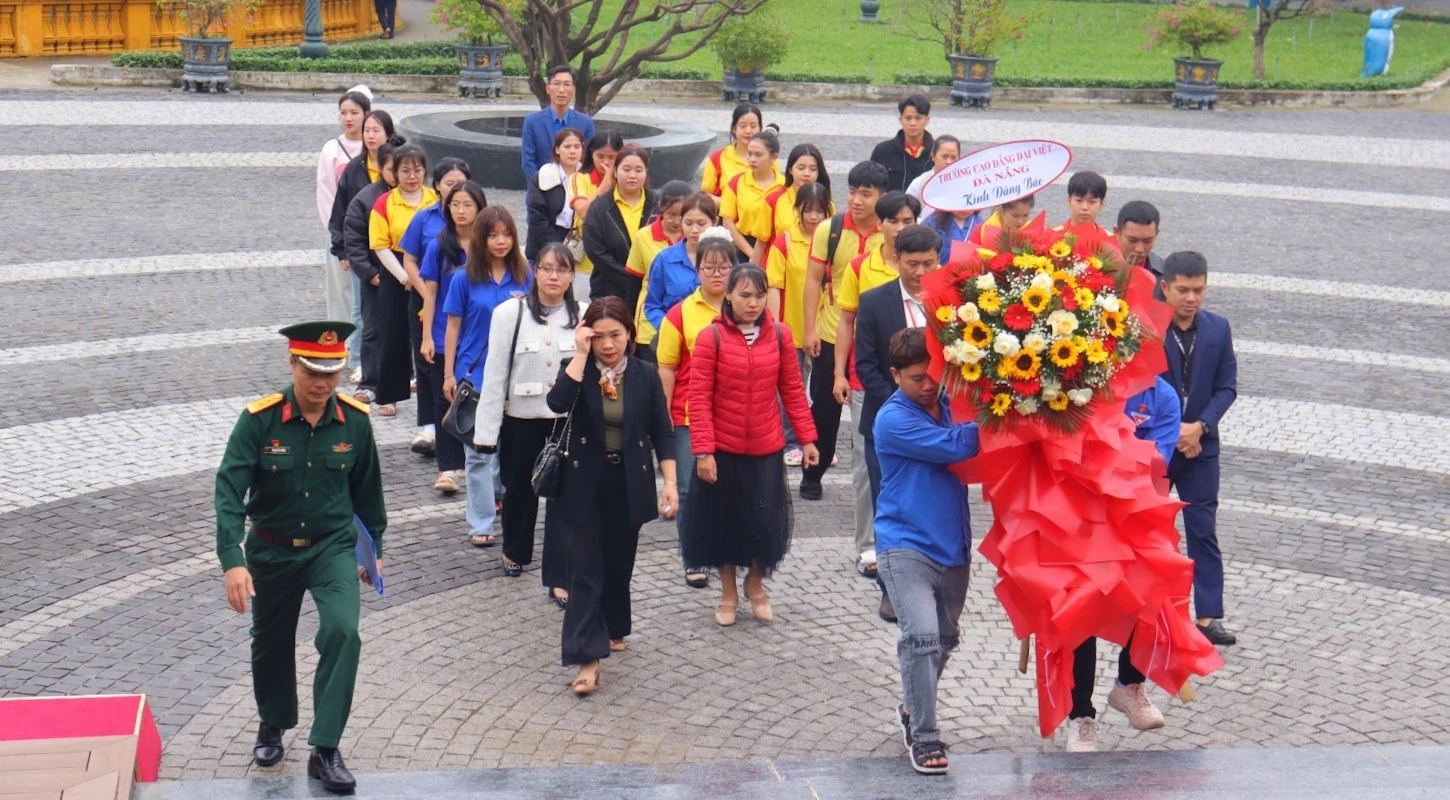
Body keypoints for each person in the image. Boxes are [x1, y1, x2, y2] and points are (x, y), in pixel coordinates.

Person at [215, 321, 384, 795]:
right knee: (270, 640)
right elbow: (228, 489)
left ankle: (325, 748)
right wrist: (232, 558)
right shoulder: (259, 421)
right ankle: (273, 722)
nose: (321, 384)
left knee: (343, 630)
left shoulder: (355, 420)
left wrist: (375, 552)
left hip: (332, 546)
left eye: (331, 374)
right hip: (270, 547)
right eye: (312, 371)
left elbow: (368, 492)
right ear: (292, 364)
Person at [549, 298, 678, 696]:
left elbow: (662, 431)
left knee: (619, 565)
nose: (608, 344)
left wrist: (670, 482)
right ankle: (588, 658)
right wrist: (579, 353)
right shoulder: (577, 369)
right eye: (599, 336)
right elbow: (556, 404)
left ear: (630, 335)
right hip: (581, 481)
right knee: (584, 570)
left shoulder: (645, 374)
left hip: (628, 481)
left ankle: (615, 626)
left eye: (615, 335)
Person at [686, 264, 819, 627]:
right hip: (724, 449)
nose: (753, 303)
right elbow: (698, 399)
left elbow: (792, 390)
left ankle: (755, 583)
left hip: (766, 447)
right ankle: (728, 592)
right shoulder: (710, 338)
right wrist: (704, 451)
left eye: (760, 295)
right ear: (728, 294)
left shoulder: (778, 335)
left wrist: (807, 438)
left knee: (765, 521)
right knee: (725, 523)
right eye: (745, 295)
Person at [872, 327, 979, 776]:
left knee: (945, 639)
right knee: (920, 637)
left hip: (952, 543)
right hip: (904, 544)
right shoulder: (892, 419)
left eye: (933, 374)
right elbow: (957, 446)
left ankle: (912, 707)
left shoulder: (954, 403)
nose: (928, 384)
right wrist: (1004, 418)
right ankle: (925, 735)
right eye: (916, 378)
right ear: (896, 376)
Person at [1063, 374, 1181, 753]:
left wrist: (1110, 453)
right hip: (1083, 516)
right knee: (1082, 611)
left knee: (1146, 598)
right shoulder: (1087, 383)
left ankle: (1128, 685)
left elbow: (1158, 459)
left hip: (1135, 515)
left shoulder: (1162, 396)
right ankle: (1080, 716)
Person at [475, 244, 581, 608]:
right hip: (522, 417)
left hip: (565, 421)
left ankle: (559, 573)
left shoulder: (583, 316)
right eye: (548, 269)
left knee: (563, 500)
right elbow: (495, 375)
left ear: (572, 276)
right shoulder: (510, 313)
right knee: (519, 491)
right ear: (535, 272)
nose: (554, 277)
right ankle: (515, 549)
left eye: (562, 270)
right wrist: (486, 434)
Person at [853, 225, 942, 622]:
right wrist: (901, 403)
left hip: (940, 418)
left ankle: (936, 576)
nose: (921, 271)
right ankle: (889, 588)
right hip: (887, 423)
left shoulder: (953, 301)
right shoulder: (874, 302)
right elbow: (866, 364)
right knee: (887, 505)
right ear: (896, 260)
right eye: (912, 264)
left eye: (929, 263)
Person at [833, 192, 921, 584]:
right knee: (867, 469)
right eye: (895, 221)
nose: (902, 227)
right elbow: (848, 323)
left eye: (909, 220)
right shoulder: (860, 267)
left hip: (924, 394)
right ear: (880, 225)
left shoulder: (931, 274)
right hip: (876, 388)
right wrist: (840, 373)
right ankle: (868, 542)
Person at [1159, 251, 1238, 647]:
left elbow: (1227, 387)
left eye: (1199, 290)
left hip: (1201, 447)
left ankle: (1208, 616)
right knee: (1152, 530)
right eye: (1183, 290)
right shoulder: (1148, 330)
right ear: (1165, 288)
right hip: (1159, 446)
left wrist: (1200, 427)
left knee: (1203, 529)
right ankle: (1155, 609)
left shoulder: (1218, 329)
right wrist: (1175, 430)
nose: (1191, 298)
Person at [799, 161, 889, 502]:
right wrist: (809, 329)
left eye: (866, 194)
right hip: (833, 328)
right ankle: (813, 471)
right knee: (824, 406)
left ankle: (878, 475)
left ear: (882, 196)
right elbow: (812, 280)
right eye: (852, 192)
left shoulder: (891, 230)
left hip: (877, 337)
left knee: (877, 404)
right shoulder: (830, 229)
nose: (857, 200)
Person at [443, 207, 531, 551]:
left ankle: (502, 498)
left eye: (506, 234)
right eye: (493, 235)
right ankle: (480, 522)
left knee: (510, 448)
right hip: (476, 376)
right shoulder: (464, 278)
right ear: (481, 238)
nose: (500, 241)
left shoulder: (526, 275)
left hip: (517, 375)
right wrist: (449, 372)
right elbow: (452, 326)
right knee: (478, 452)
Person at [655, 241, 731, 589]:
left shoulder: (744, 308)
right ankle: (694, 557)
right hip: (687, 413)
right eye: (709, 267)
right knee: (688, 488)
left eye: (724, 267)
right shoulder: (679, 313)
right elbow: (667, 367)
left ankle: (725, 551)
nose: (716, 274)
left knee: (727, 487)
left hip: (731, 413)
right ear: (696, 271)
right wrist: (663, 417)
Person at [400, 157, 472, 460]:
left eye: (460, 183)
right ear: (438, 186)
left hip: (466, 308)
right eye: (448, 183)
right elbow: (410, 260)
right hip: (428, 300)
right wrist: (428, 291)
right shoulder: (425, 218)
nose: (454, 190)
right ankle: (430, 427)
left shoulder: (480, 221)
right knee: (429, 367)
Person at [419, 180, 486, 495]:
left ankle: (479, 463)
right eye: (455, 204)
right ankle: (448, 467)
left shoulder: (490, 243)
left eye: (467, 205)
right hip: (445, 333)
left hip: (479, 336)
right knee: (443, 398)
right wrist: (426, 337)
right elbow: (430, 295)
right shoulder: (438, 244)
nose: (460, 211)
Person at [368, 144, 439, 417]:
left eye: (417, 170)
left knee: (427, 332)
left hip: (430, 267)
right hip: (395, 269)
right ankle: (388, 395)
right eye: (405, 171)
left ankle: (428, 393)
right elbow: (380, 246)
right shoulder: (384, 202)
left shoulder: (434, 198)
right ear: (394, 173)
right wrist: (404, 277)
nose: (412, 176)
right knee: (393, 334)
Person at [766, 182, 832, 468]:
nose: (814, 217)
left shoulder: (833, 240)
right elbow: (773, 286)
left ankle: (818, 442)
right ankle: (792, 441)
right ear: (798, 210)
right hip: (791, 327)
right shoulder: (786, 241)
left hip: (826, 326)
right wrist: (773, 327)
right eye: (808, 210)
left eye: (820, 210)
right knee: (790, 388)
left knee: (821, 388)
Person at [329, 108, 396, 382]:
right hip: (363, 251)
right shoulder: (355, 168)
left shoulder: (402, 162)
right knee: (361, 309)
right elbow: (341, 210)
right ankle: (359, 360)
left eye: (376, 130)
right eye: (367, 130)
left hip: (396, 247)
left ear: (388, 134)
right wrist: (342, 248)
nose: (370, 135)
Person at [340, 141, 400, 408]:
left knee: (404, 332)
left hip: (413, 279)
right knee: (373, 329)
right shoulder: (366, 198)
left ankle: (398, 383)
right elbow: (353, 240)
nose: (401, 176)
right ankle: (370, 380)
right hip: (377, 277)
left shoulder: (423, 199)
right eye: (393, 169)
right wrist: (370, 273)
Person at [317, 88, 370, 330]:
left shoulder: (373, 146)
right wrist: (337, 232)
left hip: (371, 228)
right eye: (343, 113)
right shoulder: (331, 148)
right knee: (340, 288)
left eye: (354, 112)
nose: (348, 118)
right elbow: (326, 191)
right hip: (340, 228)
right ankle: (341, 338)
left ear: (366, 114)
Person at [584, 144, 656, 308]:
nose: (632, 175)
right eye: (626, 169)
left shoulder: (658, 205)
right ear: (615, 171)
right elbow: (596, 252)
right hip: (609, 291)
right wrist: (632, 279)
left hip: (652, 293)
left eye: (639, 170)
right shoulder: (600, 208)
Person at [642, 204, 729, 340]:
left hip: (719, 338)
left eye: (701, 223)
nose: (694, 230)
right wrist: (670, 328)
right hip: (676, 338)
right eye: (688, 223)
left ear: (715, 222)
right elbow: (652, 305)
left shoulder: (727, 259)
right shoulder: (665, 259)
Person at [627, 179, 692, 352]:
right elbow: (634, 283)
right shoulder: (644, 237)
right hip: (650, 325)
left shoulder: (695, 238)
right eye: (671, 214)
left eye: (683, 215)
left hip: (691, 325)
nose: (677, 221)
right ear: (661, 207)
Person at [568, 130, 625, 300]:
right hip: (584, 261)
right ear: (591, 153)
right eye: (600, 156)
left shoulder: (627, 182)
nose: (605, 162)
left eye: (612, 157)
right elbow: (585, 212)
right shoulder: (579, 178)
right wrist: (606, 182)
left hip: (618, 261)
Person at [521, 66, 597, 183]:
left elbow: (590, 160)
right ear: (548, 88)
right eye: (556, 84)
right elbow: (528, 161)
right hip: (542, 190)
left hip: (576, 190)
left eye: (567, 84)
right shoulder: (532, 121)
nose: (561, 90)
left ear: (573, 90)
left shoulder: (585, 123)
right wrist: (538, 188)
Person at [760, 143, 831, 265]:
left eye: (813, 169)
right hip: (776, 270)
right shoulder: (773, 200)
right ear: (790, 169)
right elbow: (761, 243)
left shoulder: (827, 204)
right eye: (801, 168)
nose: (807, 173)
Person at [720, 128, 784, 262]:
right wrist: (752, 254)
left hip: (777, 249)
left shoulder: (784, 186)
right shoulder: (736, 183)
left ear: (774, 157)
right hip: (744, 248)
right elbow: (727, 222)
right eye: (749, 154)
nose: (752, 159)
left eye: (758, 155)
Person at [525, 127, 586, 262]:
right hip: (544, 241)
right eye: (567, 146)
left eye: (577, 147)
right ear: (557, 150)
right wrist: (557, 246)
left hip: (578, 242)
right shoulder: (543, 175)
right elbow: (537, 217)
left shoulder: (586, 177)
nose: (572, 151)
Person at [870, 95, 934, 193]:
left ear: (927, 120)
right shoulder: (883, 151)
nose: (913, 123)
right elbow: (872, 186)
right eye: (908, 118)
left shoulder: (937, 152)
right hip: (892, 207)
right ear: (900, 120)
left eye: (918, 118)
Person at [702, 103, 765, 197]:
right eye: (743, 126)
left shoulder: (768, 158)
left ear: (760, 129)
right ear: (734, 129)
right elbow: (704, 195)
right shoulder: (717, 158)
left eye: (753, 126)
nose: (748, 131)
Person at [1115, 200, 1166, 301]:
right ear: (1117, 232)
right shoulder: (1095, 268)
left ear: (1157, 233)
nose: (1139, 249)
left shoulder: (1165, 275)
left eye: (1147, 241)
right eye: (1132, 240)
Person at [904, 134, 958, 225]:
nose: (949, 162)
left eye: (953, 157)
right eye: (944, 156)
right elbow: (906, 214)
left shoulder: (965, 183)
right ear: (933, 156)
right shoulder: (919, 183)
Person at [968, 195, 1037, 248]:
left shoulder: (1034, 231)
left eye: (1025, 215)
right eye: (1015, 216)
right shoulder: (981, 231)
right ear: (1001, 209)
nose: (1020, 221)